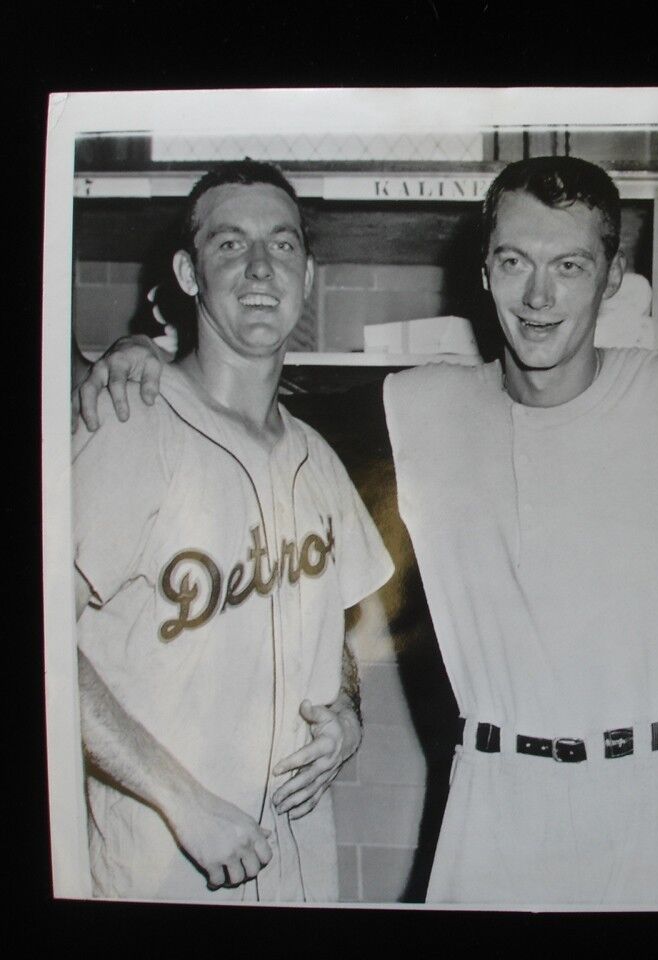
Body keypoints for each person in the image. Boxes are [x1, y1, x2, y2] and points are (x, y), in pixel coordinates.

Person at [75, 156, 658, 906]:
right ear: (482, 271)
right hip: (493, 800)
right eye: (515, 263)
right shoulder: (414, 404)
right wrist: (140, 350)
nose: (538, 297)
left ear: (613, 277)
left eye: (570, 265)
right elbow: (255, 383)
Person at [73, 160, 394, 901]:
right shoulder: (132, 425)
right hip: (164, 867)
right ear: (187, 273)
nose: (259, 268)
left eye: (282, 247)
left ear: (308, 275)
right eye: (228, 245)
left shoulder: (318, 457)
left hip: (298, 864)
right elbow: (42, 642)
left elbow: (335, 633)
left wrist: (346, 713)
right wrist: (180, 803)